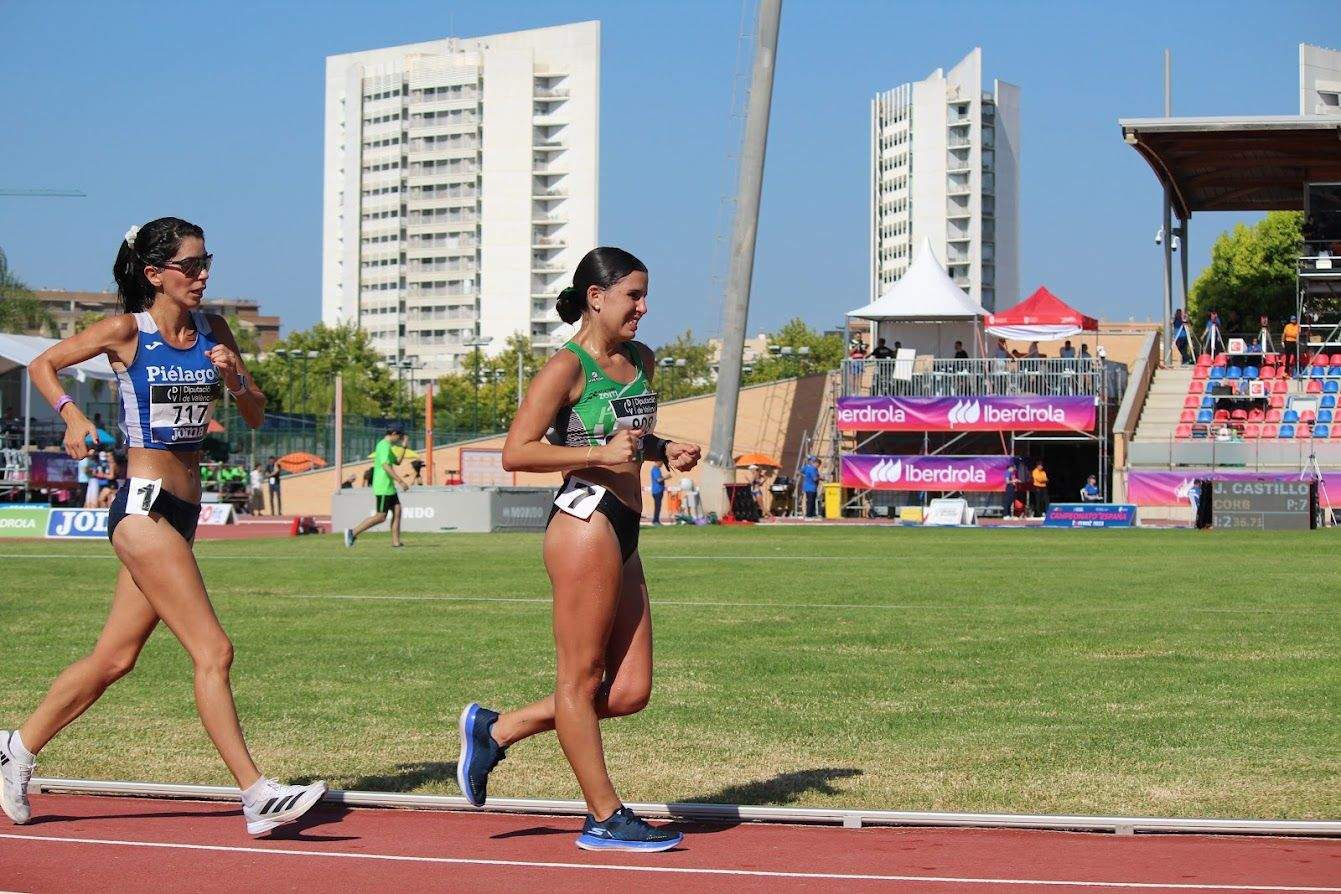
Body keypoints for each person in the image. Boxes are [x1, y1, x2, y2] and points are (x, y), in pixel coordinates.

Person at [1, 217, 325, 834]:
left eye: (207, 262)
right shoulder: (128, 330)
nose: (203, 274)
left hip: (182, 512)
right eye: (190, 265)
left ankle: (15, 749)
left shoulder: (216, 331)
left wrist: (233, 376)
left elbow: (254, 417)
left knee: (116, 657)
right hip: (142, 509)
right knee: (214, 650)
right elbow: (45, 364)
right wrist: (72, 417)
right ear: (155, 274)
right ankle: (256, 794)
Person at [456, 246, 700, 853]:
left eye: (645, 296)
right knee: (580, 679)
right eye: (633, 296)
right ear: (597, 297)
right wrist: (596, 456)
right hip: (584, 524)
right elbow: (517, 451)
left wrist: (661, 448)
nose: (643, 308)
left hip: (627, 527)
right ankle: (604, 817)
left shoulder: (641, 359)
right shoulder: (565, 368)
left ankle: (499, 728)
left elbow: (627, 438)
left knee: (627, 692)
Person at [344, 422, 411, 548]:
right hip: (383, 487)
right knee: (381, 517)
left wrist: (404, 447)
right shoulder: (383, 446)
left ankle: (396, 543)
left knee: (397, 511)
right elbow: (386, 466)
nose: (400, 438)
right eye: (400, 436)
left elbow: (397, 462)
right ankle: (352, 532)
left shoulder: (388, 446)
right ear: (394, 434)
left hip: (389, 487)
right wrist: (401, 481)